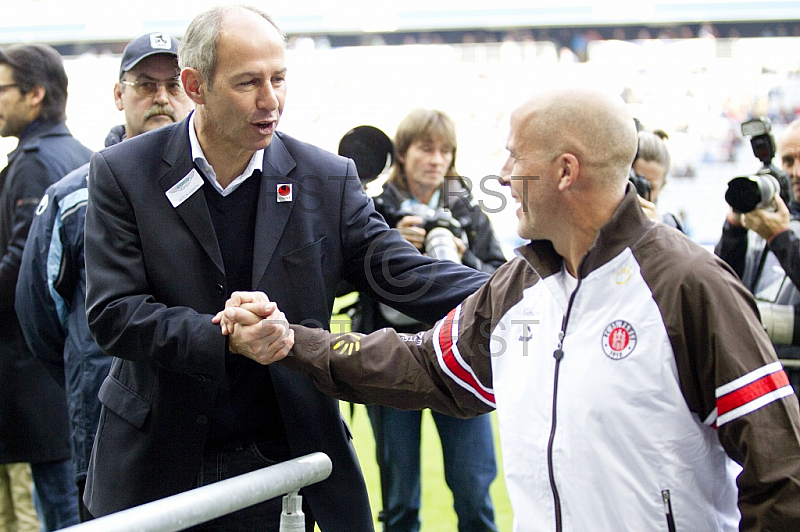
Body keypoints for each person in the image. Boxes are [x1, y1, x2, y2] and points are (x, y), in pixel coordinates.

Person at [221, 88, 800, 531]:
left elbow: (782, 470)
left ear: (565, 171)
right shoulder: (521, 283)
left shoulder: (691, 284)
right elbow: (424, 367)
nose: (499, 174)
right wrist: (291, 341)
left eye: (512, 154)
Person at [82, 6, 488, 531]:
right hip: (161, 459)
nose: (270, 100)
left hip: (290, 455)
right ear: (195, 85)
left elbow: (405, 274)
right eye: (248, 82)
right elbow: (115, 314)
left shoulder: (327, 178)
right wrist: (226, 338)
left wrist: (523, 289)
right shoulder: (121, 172)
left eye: (278, 79)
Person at [14, 32, 192, 522]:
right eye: (144, 83)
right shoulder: (71, 197)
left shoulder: (222, 186)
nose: (160, 97)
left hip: (203, 428)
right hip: (103, 428)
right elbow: (40, 316)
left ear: (194, 90)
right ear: (119, 95)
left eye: (173, 84)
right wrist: (91, 368)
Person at [360, 109, 504, 532]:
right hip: (391, 357)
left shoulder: (466, 206)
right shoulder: (373, 208)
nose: (437, 159)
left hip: (459, 359)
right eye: (427, 148)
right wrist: (388, 248)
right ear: (402, 153)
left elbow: (501, 278)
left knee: (475, 494)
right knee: (400, 501)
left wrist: (463, 257)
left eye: (446, 151)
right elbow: (338, 278)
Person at [0, 43, 92, 531]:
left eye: (2, 90)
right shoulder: (78, 153)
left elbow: (23, 273)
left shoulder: (36, 161)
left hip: (38, 376)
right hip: (66, 370)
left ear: (35, 94)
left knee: (62, 510)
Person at [715, 118, 800, 395]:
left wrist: (780, 238)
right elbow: (720, 286)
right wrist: (734, 229)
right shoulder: (766, 222)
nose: (796, 172)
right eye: (788, 162)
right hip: (761, 380)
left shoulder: (777, 231)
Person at [632, 128, 684, 231]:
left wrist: (656, 232)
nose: (642, 191)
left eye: (650, 187)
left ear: (662, 186)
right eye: (637, 182)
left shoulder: (671, 228)